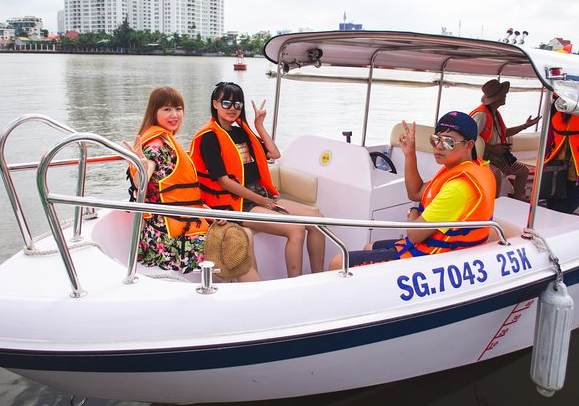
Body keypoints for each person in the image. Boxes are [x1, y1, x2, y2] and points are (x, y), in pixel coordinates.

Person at [190, 81, 325, 278]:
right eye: (226, 103)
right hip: (237, 204)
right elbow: (225, 182)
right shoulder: (208, 138)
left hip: (261, 196)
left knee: (318, 220)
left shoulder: (241, 132)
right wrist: (263, 201)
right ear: (215, 104)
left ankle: (319, 277)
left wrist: (259, 125)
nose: (233, 109)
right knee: (296, 230)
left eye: (238, 104)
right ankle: (295, 284)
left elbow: (274, 153)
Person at [125, 86, 260, 281]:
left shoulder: (167, 140)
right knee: (235, 246)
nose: (174, 115)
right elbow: (141, 181)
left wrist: (208, 212)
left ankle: (248, 294)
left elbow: (182, 195)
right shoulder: (155, 146)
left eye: (178, 109)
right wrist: (140, 165)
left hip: (185, 221)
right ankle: (257, 300)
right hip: (166, 237)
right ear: (154, 112)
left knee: (245, 233)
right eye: (167, 110)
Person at [329, 111, 496, 269]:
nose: (438, 146)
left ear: (469, 145)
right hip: (430, 246)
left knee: (339, 262)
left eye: (448, 141)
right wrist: (410, 154)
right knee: (369, 247)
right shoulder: (459, 169)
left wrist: (412, 212)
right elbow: (415, 192)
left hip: (436, 260)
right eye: (435, 139)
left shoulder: (459, 187)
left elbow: (415, 235)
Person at [470, 79, 540, 201]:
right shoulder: (481, 115)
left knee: (523, 171)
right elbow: (470, 138)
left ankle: (516, 203)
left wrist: (525, 125)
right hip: (482, 160)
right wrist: (492, 149)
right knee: (495, 174)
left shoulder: (495, 113)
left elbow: (505, 133)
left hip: (497, 158)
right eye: (504, 94)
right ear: (498, 97)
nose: (506, 96)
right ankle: (492, 206)